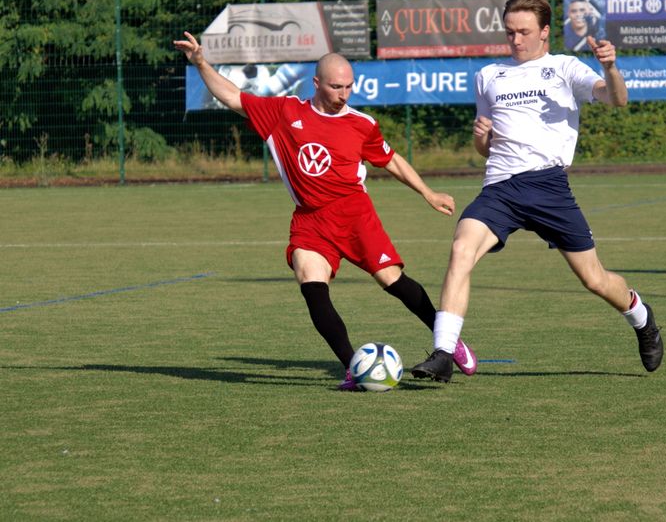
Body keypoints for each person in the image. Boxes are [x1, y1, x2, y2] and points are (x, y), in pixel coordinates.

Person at [173, 32, 478, 389]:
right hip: (310, 219)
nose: (343, 94)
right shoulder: (284, 112)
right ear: (316, 83)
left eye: (349, 87)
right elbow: (231, 96)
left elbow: (390, 160)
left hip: (354, 214)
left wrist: (427, 192)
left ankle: (448, 339)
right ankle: (354, 367)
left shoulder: (361, 124)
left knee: (392, 281)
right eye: (335, 87)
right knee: (311, 284)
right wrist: (200, 62)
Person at [410, 0, 663, 383]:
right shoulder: (489, 75)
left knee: (594, 279)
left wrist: (611, 68)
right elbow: (483, 148)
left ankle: (641, 317)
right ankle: (444, 353)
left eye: (523, 32)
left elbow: (617, 99)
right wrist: (481, 136)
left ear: (544, 31)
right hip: (500, 187)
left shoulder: (564, 68)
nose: (515, 40)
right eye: (509, 32)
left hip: (549, 187)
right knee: (461, 248)